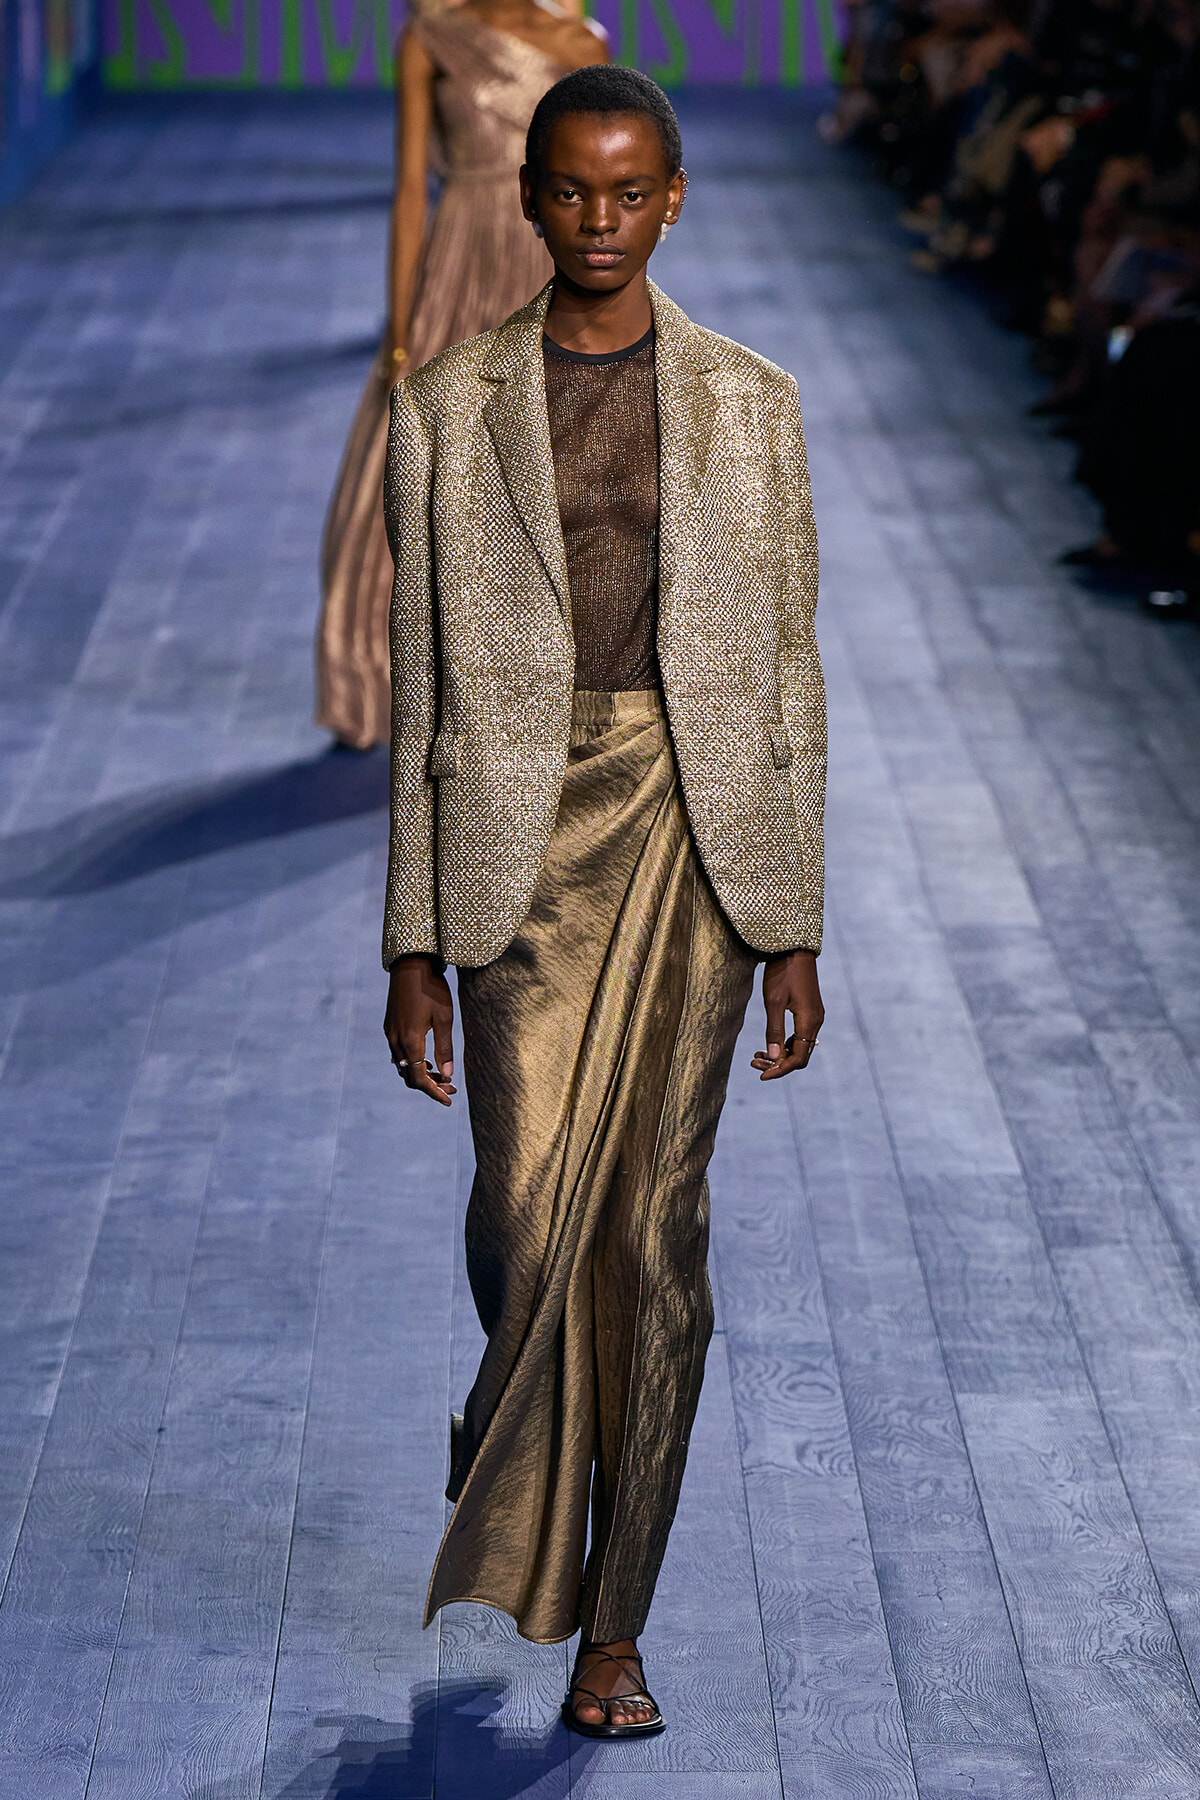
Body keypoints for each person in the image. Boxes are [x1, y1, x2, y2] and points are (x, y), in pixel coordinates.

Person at [381, 65, 827, 1739]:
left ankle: (615, 1623)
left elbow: (788, 674)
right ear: (528, 198)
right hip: (517, 837)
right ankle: (524, 1408)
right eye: (571, 190)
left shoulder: (751, 403)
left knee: (652, 1234)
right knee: (523, 1221)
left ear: (675, 198)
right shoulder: (447, 408)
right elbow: (423, 696)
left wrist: (796, 921)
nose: (600, 220)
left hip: (695, 829)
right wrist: (410, 944)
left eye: (631, 192)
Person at [315, 0, 606, 751]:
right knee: (402, 468)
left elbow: (599, 193)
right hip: (456, 266)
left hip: (546, 270)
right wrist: (400, 328)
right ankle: (370, 679)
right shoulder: (430, 41)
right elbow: (410, 188)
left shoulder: (580, 44)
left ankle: (543, 693)